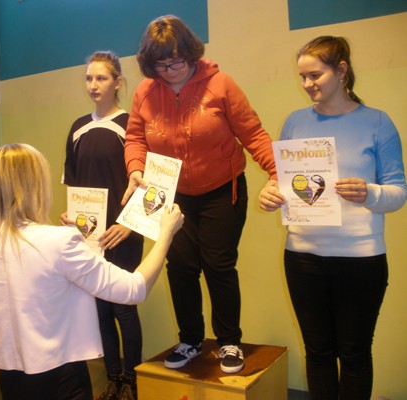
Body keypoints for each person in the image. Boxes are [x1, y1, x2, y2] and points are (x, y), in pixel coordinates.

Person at [0, 143, 184, 400]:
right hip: (62, 382)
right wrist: (166, 235)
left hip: (11, 382)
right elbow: (135, 288)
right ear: (36, 186)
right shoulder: (59, 242)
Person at [122, 15, 277, 374]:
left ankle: (229, 342)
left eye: (176, 61)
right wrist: (135, 169)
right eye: (160, 64)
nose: (169, 70)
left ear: (191, 52)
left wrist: (277, 174)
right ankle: (190, 339)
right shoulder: (145, 91)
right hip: (172, 194)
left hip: (222, 189)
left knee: (218, 265)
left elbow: (253, 134)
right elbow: (135, 137)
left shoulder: (220, 85)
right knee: (180, 267)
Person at [259, 36, 406, 399]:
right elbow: (283, 180)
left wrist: (369, 193)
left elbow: (398, 191)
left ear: (341, 71)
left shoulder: (377, 122)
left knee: (354, 355)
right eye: (302, 77)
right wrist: (270, 192)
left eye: (315, 75)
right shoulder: (295, 122)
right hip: (303, 257)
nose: (307, 84)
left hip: (361, 259)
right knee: (318, 352)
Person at [61, 50, 144, 400]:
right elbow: (73, 185)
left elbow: (150, 186)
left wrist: (128, 225)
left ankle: (132, 383)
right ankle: (113, 380)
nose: (93, 85)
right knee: (100, 309)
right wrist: (71, 218)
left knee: (123, 308)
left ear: (118, 82)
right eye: (89, 78)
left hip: (123, 234)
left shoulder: (132, 126)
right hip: (90, 238)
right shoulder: (78, 127)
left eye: (101, 78)